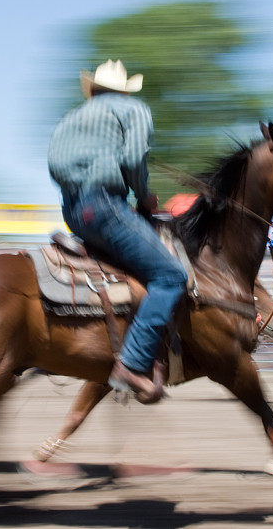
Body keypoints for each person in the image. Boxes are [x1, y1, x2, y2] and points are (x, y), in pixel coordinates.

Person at [48, 59, 187, 402]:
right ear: (124, 90)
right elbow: (135, 157)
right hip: (106, 206)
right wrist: (144, 195)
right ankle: (133, 361)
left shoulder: (70, 119)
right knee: (171, 277)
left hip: (73, 212)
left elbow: (54, 165)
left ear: (92, 90)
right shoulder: (132, 109)